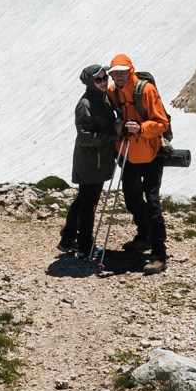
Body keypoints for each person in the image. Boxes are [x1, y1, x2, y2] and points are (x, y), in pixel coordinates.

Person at [105, 54, 170, 271]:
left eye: (122, 72)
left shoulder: (146, 90)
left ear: (130, 70)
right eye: (115, 73)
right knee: (132, 198)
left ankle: (159, 254)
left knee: (152, 201)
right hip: (129, 153)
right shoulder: (114, 92)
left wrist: (141, 129)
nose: (118, 76)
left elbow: (162, 122)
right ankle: (145, 236)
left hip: (151, 153)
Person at [58, 64, 119, 257]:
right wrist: (113, 131)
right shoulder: (85, 104)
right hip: (91, 162)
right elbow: (85, 138)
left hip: (96, 160)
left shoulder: (102, 99)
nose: (103, 82)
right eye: (98, 79)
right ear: (89, 82)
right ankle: (85, 246)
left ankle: (68, 238)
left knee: (83, 200)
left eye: (104, 78)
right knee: (88, 204)